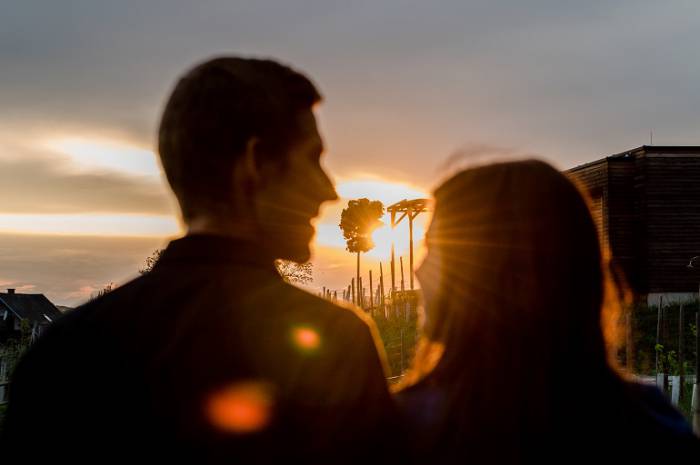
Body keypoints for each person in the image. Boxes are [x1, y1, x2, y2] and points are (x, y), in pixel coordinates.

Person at [3, 57, 400, 464]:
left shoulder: (61, 357)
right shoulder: (336, 343)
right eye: (312, 160)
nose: (329, 190)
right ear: (255, 162)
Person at [395, 160, 700, 463]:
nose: (418, 269)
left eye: (435, 249)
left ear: (501, 275)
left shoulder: (403, 431)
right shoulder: (651, 426)